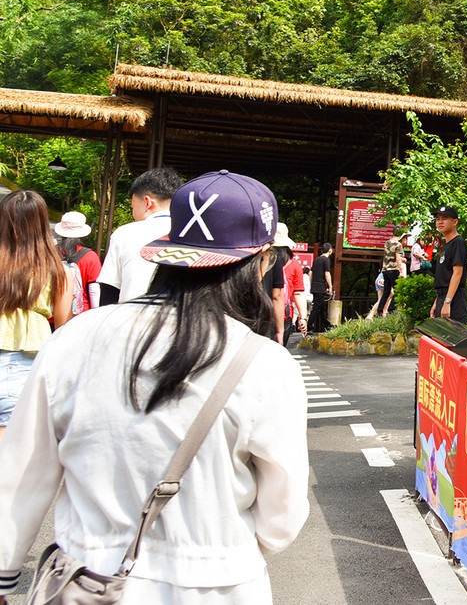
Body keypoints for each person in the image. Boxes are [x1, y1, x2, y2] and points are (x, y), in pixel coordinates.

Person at [0, 169, 308, 603]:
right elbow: (283, 518)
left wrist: (5, 574)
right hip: (218, 586)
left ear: (169, 250)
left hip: (88, 581)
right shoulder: (265, 364)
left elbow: (22, 473)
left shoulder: (76, 337)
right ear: (260, 260)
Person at [0, 190, 72, 442]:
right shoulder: (59, 271)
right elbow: (63, 325)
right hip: (26, 362)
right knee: (9, 451)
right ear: (43, 225)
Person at [97, 167, 183, 305]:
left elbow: (109, 290)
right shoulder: (190, 234)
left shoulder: (125, 233)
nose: (133, 213)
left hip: (129, 320)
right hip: (179, 321)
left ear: (147, 202)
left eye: (133, 207)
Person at [54, 210, 102, 313]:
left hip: (53, 314)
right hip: (80, 316)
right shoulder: (90, 257)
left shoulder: (50, 253)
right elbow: (94, 290)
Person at [430, 204, 467, 322]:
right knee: (441, 338)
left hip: (454, 298)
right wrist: (437, 302)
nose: (440, 222)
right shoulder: (446, 246)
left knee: (453, 337)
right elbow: (444, 278)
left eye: (444, 218)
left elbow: (457, 273)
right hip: (444, 297)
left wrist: (447, 302)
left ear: (455, 222)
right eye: (437, 219)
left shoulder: (458, 242)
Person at [375, 231, 403, 317]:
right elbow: (398, 258)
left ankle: (380, 312)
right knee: (397, 290)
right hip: (394, 269)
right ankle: (391, 310)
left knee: (386, 292)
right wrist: (401, 270)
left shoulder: (387, 243)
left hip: (385, 270)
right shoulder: (398, 244)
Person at [307, 242, 333, 334]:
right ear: (330, 250)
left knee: (322, 308)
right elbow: (327, 274)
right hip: (320, 287)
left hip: (315, 287)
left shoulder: (317, 259)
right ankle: (309, 327)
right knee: (317, 308)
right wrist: (330, 287)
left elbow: (311, 273)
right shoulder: (326, 260)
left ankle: (327, 325)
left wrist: (311, 284)